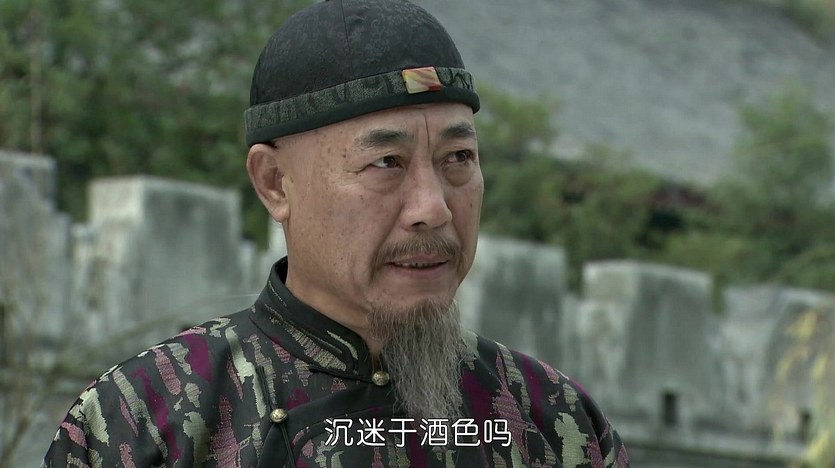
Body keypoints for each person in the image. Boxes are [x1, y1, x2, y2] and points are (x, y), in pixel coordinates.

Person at [44, 0, 629, 466]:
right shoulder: (147, 421)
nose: (433, 209)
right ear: (275, 183)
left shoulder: (552, 424)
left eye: (458, 158)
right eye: (386, 163)